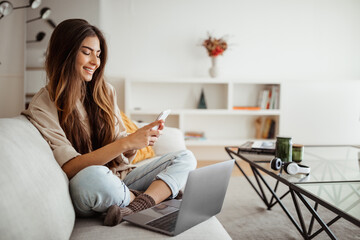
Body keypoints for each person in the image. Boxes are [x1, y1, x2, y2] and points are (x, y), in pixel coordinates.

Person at [22, 19, 197, 226]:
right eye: (86, 52)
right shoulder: (43, 104)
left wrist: (137, 140)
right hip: (90, 185)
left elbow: (120, 143)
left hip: (119, 178)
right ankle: (155, 197)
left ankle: (134, 206)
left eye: (98, 54)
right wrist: (127, 143)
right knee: (93, 176)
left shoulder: (104, 91)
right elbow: (70, 168)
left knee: (185, 157)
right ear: (65, 53)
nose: (95, 62)